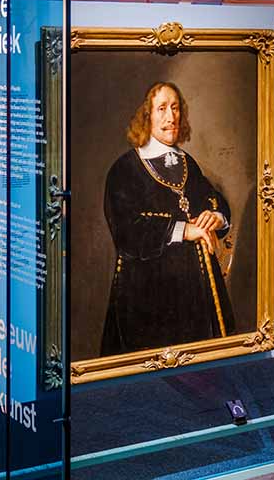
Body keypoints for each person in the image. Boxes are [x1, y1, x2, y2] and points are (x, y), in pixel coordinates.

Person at [100, 81, 235, 357]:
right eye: (161, 108)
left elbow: (213, 199)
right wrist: (184, 230)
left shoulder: (187, 162)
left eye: (175, 108)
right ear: (146, 116)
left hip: (197, 295)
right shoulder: (124, 170)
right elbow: (126, 231)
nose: (171, 117)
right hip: (149, 296)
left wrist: (216, 217)